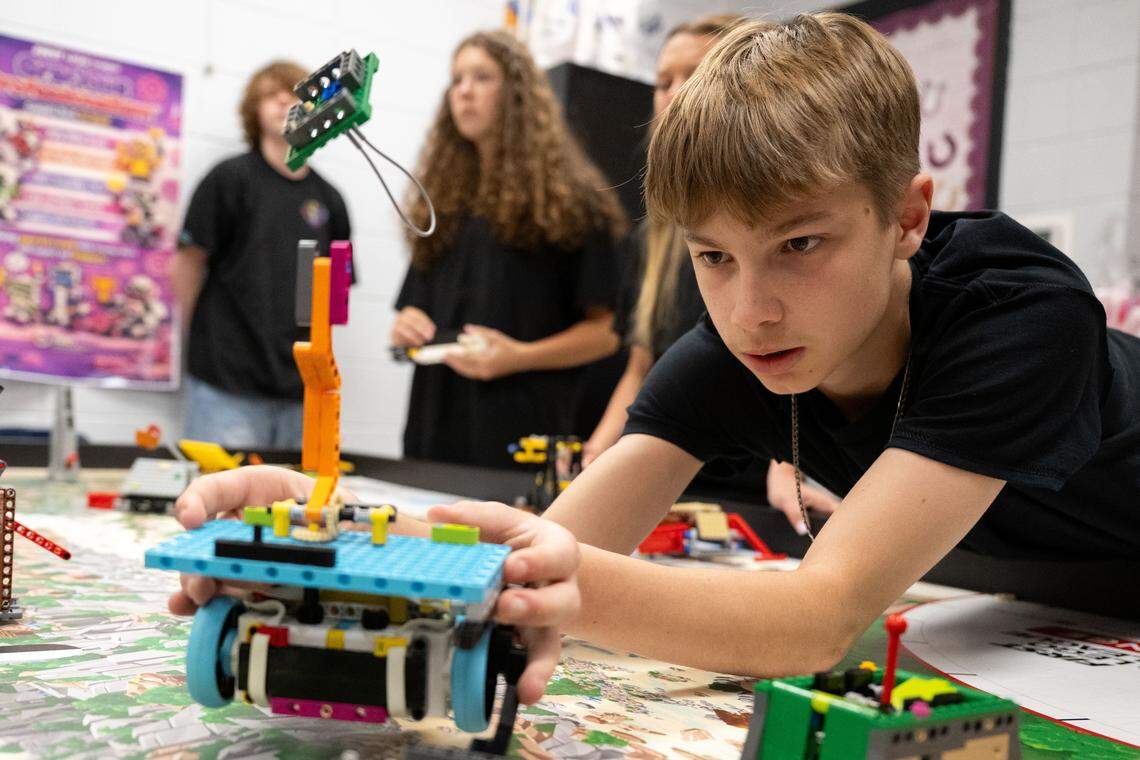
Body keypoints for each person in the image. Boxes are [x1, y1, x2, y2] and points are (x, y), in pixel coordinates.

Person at [170, 12, 1140, 697]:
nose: (752, 309)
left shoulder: (1018, 312)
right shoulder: (732, 350)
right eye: (713, 256)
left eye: (800, 244)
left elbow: (819, 617)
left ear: (908, 217)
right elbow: (559, 539)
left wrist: (561, 585)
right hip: (1048, 593)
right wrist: (325, 536)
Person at [581, 13, 839, 529]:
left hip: (756, 480)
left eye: (692, 76)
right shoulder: (650, 237)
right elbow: (642, 366)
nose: (673, 95)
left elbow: (812, 347)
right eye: (662, 82)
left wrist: (787, 462)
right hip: (675, 467)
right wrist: (598, 456)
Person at [391, 31, 627, 468]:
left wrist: (519, 357)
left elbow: (605, 334)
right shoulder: (440, 202)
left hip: (519, 440)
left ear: (517, 94)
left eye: (481, 76)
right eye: (457, 78)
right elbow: (413, 314)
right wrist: (407, 329)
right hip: (431, 435)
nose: (463, 90)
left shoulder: (573, 204)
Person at [173, 60, 351, 449]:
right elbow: (187, 263)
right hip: (226, 381)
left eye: (294, 92)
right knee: (218, 502)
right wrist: (195, 342)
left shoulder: (330, 199)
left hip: (299, 388)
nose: (284, 100)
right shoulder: (229, 179)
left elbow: (336, 298)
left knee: (290, 504)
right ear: (254, 110)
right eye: (271, 94)